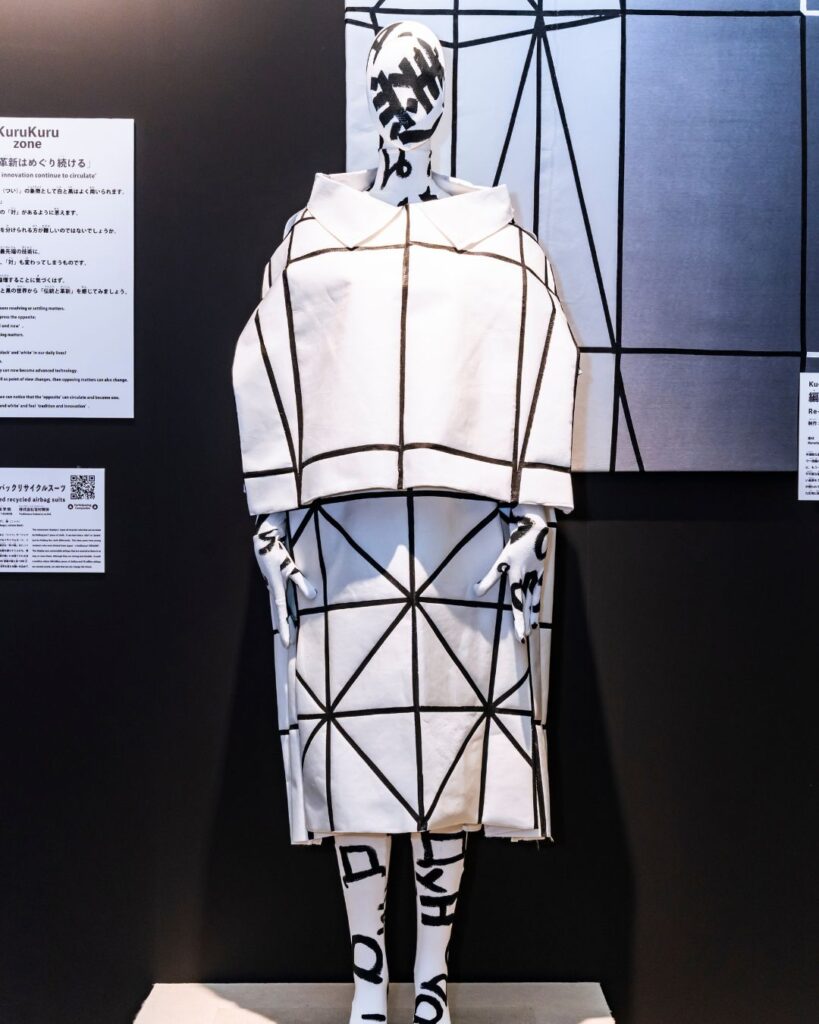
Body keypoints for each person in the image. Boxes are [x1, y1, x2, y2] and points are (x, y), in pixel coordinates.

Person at [232, 21, 578, 1024]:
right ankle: (364, 981)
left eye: (423, 81)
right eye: (391, 81)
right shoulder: (313, 240)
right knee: (354, 764)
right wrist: (271, 524)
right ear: (369, 95)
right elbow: (269, 364)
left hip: (464, 538)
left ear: (445, 95)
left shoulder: (505, 246)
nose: (408, 98)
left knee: (446, 769)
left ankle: (428, 976)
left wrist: (535, 512)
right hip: (343, 542)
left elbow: (543, 356)